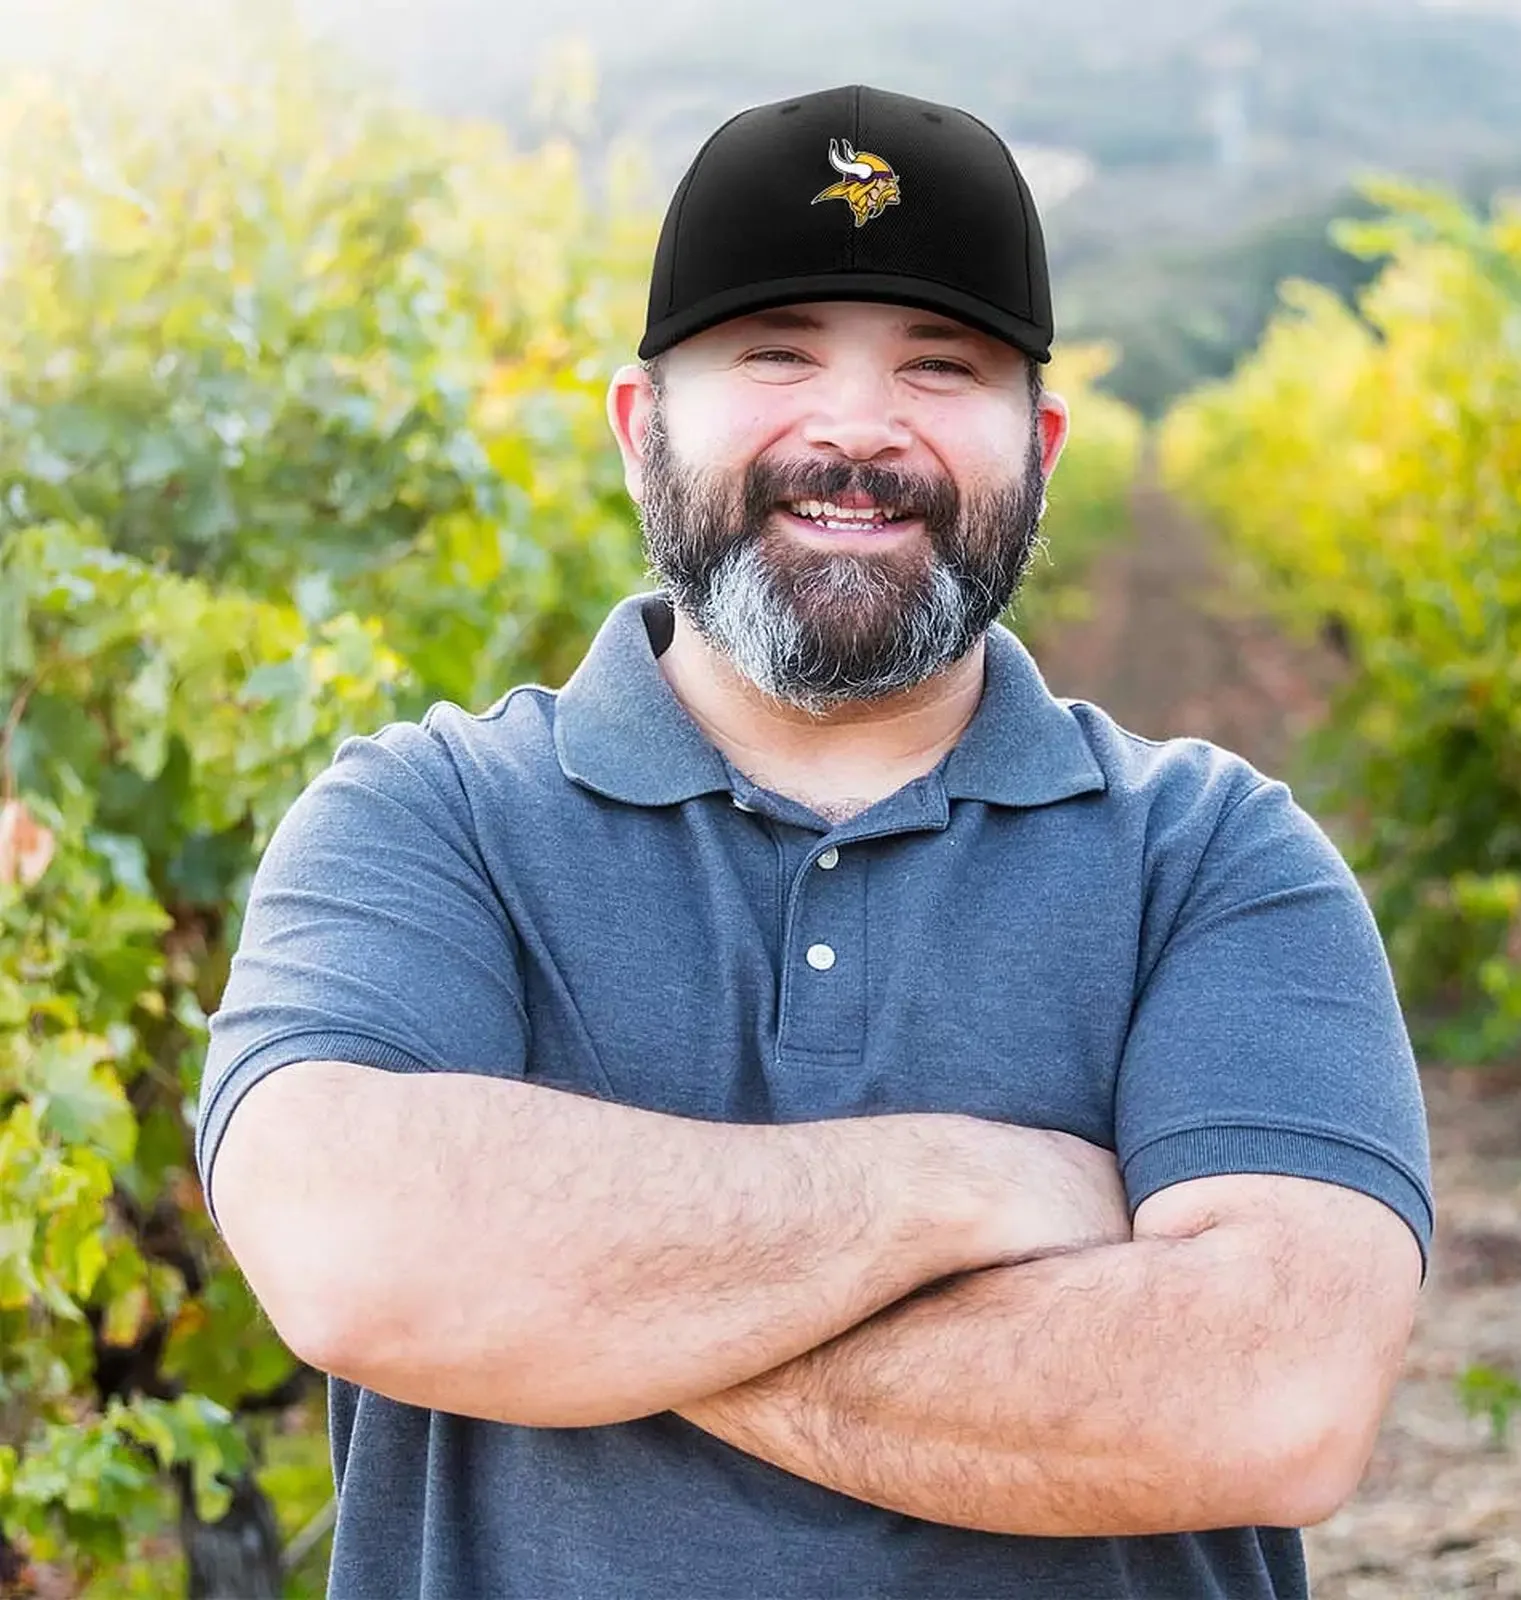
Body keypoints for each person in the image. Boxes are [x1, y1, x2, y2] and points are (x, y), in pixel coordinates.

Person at [200, 82, 1432, 1600]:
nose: (858, 429)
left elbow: (1268, 1398)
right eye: (776, 355)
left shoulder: (1217, 857)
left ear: (1038, 446)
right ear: (641, 429)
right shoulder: (422, 819)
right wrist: (966, 1191)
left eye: (941, 365)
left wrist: (565, 1303)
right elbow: (352, 1250)